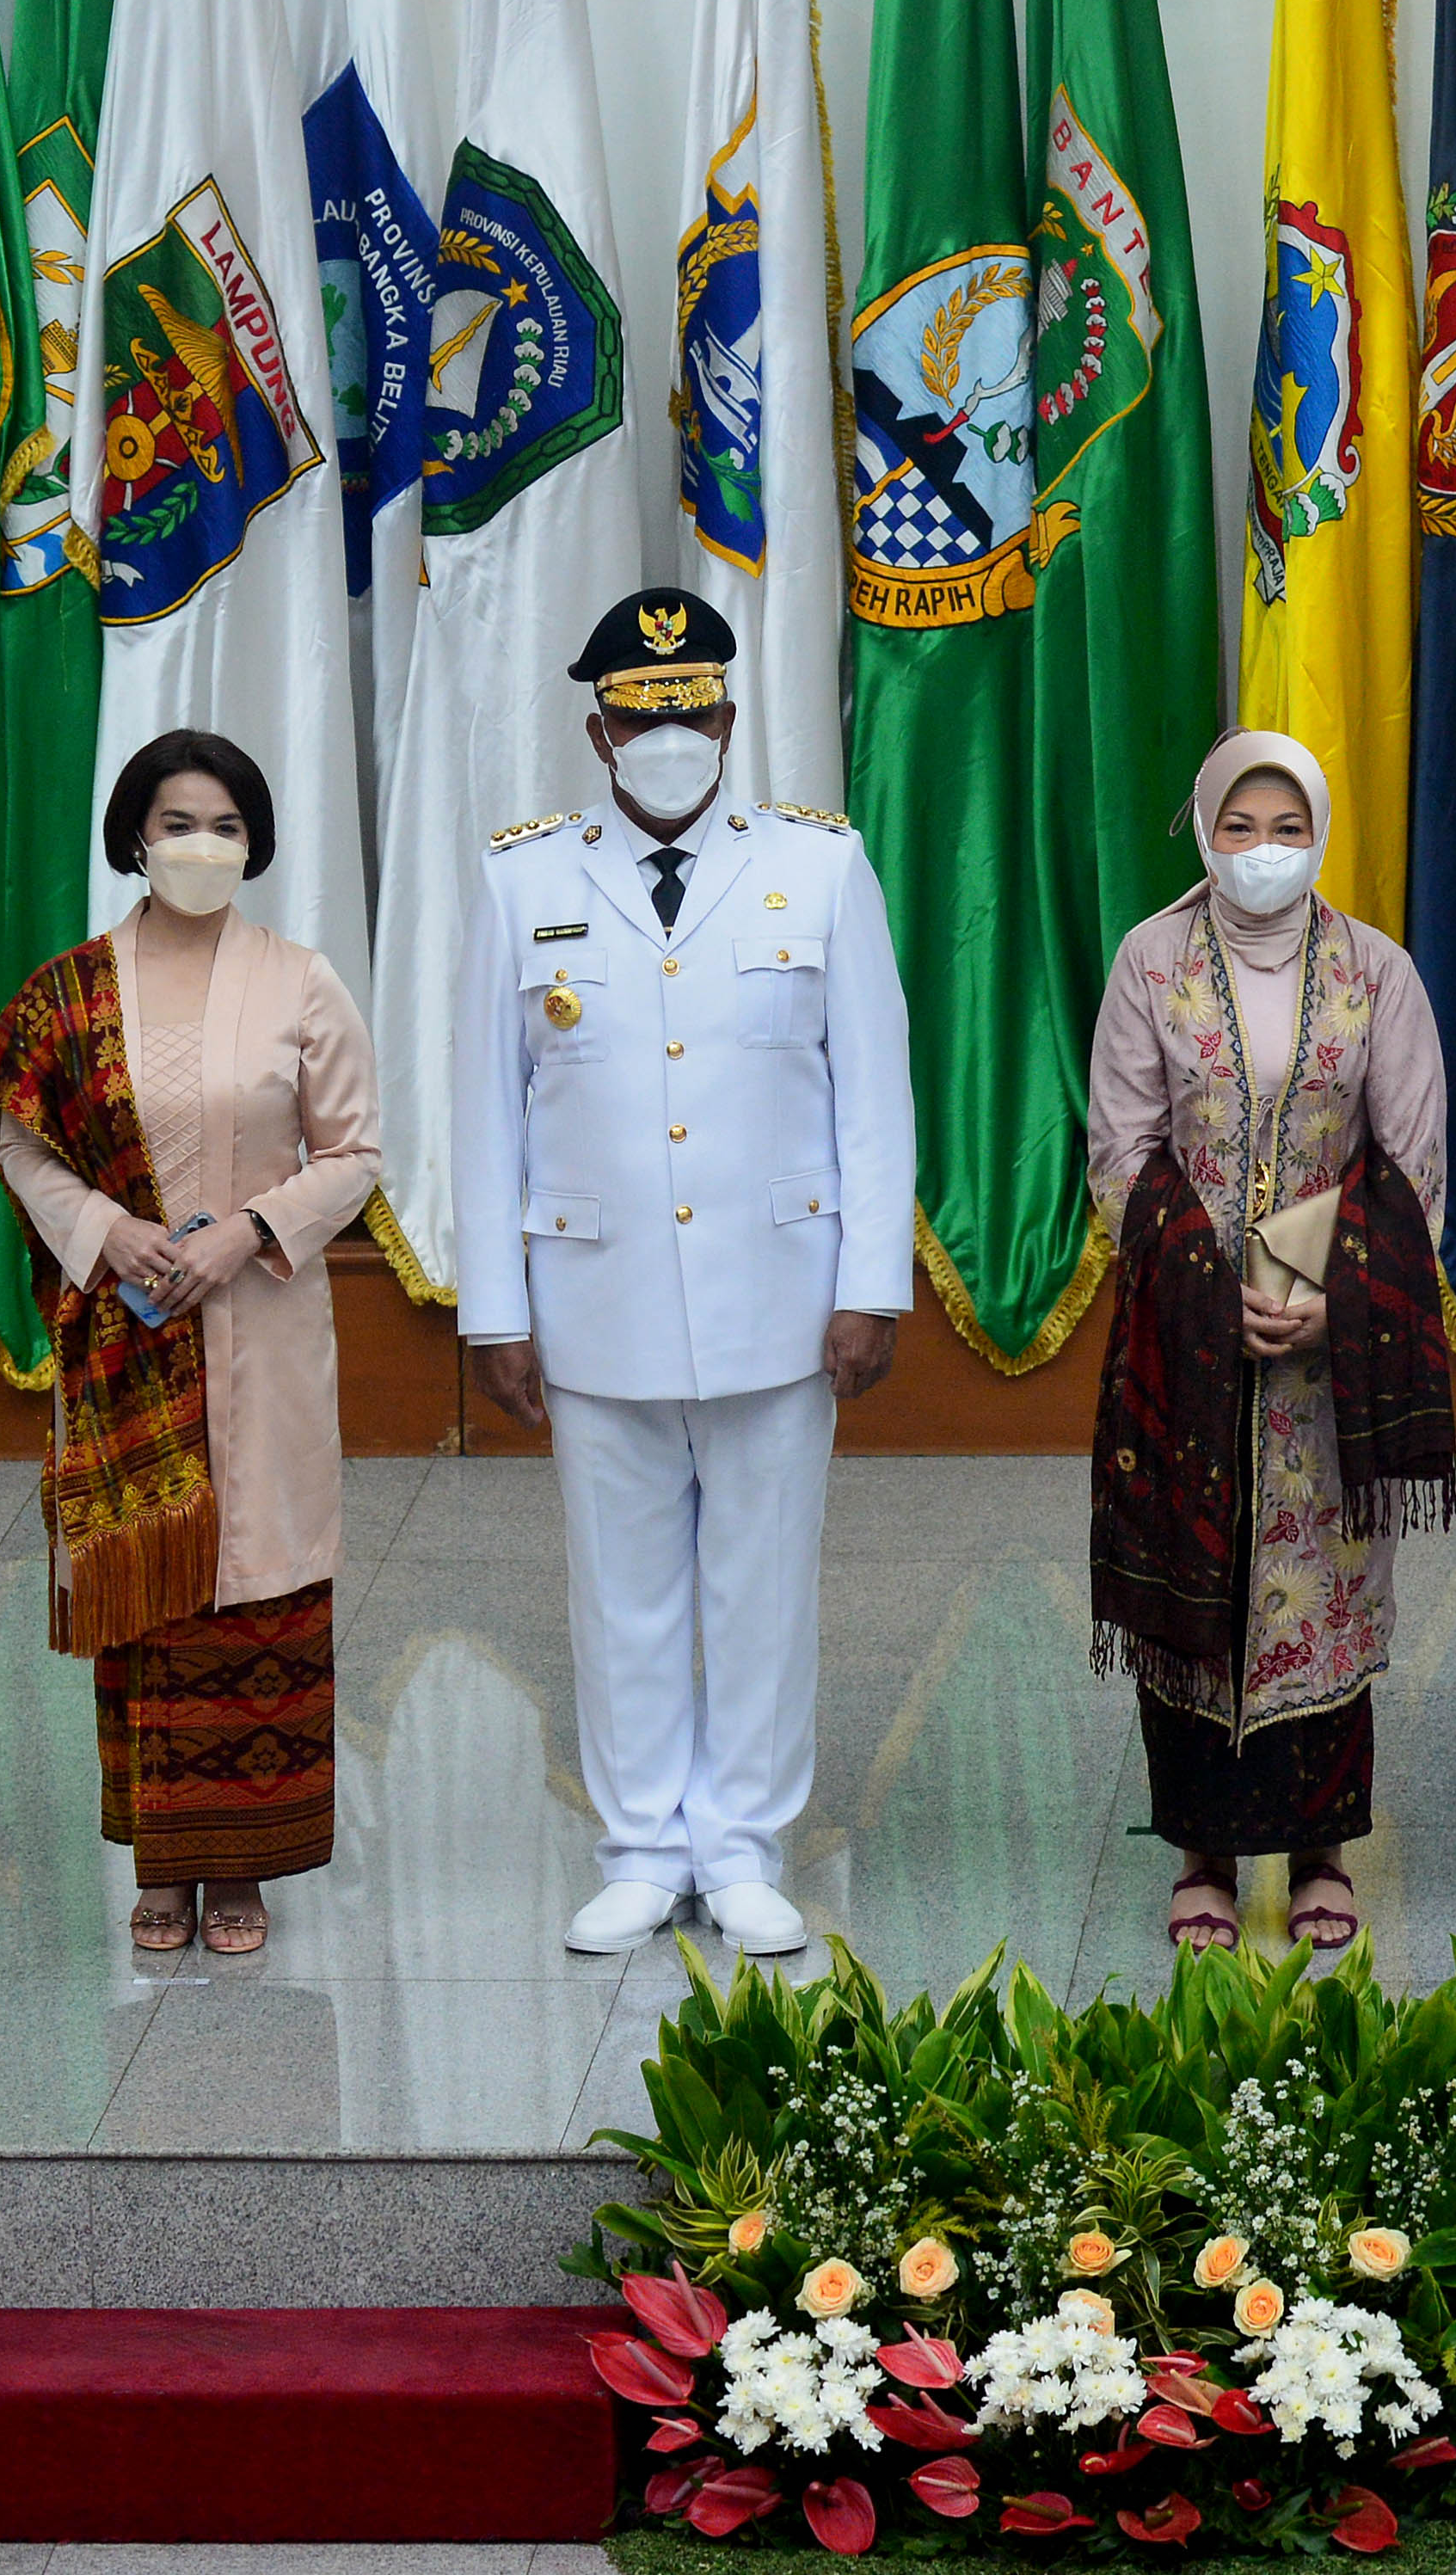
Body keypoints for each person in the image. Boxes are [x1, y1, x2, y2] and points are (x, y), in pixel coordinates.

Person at [455, 588, 915, 1962]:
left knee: (763, 1583)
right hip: (591, 1298)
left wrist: (870, 1284)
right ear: (598, 731)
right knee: (622, 1589)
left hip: (782, 1293)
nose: (671, 738)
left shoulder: (819, 868)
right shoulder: (522, 877)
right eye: (641, 718)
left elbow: (872, 1092)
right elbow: (486, 1110)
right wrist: (494, 1309)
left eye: (694, 714)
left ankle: (748, 1842)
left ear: (728, 718)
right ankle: (645, 1845)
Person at [0, 733, 378, 1959]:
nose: (203, 845)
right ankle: (162, 1863)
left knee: (259, 1581)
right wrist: (110, 1233)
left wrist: (249, 1230)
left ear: (254, 843)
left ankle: (243, 1867)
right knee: (151, 1596)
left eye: (227, 826)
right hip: (127, 1337)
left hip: (261, 1324)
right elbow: (16, 1139)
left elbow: (356, 1154)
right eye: (178, 822)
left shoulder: (300, 980)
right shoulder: (69, 991)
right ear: (133, 837)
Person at [1086, 734, 1456, 1957]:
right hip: (1182, 1344)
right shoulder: (1151, 961)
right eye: (1239, 827)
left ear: (1321, 831)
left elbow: (1408, 1161)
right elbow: (1121, 1149)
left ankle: (1321, 1853)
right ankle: (1199, 1851)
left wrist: (1318, 1290)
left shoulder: (1378, 973)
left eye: (1285, 827)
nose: (1262, 852)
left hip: (1326, 1355)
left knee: (1326, 1591)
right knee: (1197, 1577)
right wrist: (1211, 1287)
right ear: (1203, 829)